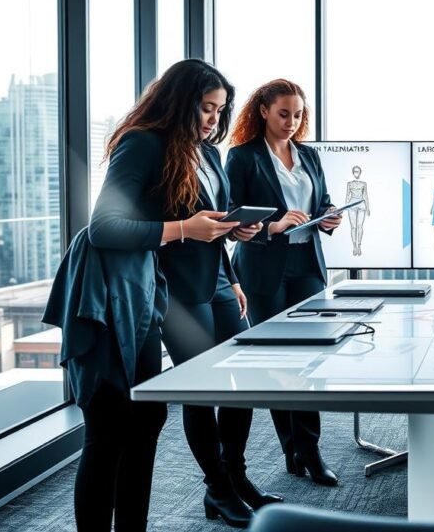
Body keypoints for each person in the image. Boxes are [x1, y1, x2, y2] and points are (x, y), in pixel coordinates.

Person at [133, 60, 279, 528]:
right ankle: (217, 488)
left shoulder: (209, 154)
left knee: (243, 382)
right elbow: (107, 227)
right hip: (175, 289)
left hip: (216, 280)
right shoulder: (145, 145)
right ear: (179, 103)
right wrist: (184, 229)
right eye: (206, 107)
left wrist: (240, 236)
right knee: (201, 392)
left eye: (220, 109)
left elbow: (213, 225)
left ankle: (235, 477)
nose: (214, 118)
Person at [226, 78, 342, 488]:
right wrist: (272, 226)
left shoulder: (308, 155)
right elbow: (231, 217)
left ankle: (309, 449)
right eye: (283, 114)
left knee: (311, 355)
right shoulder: (242, 158)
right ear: (263, 111)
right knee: (278, 359)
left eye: (297, 115)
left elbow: (322, 198)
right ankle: (290, 446)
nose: (291, 122)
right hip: (263, 266)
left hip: (307, 262)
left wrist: (328, 216)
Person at [346, 166, 369, 256]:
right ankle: (354, 246)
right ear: (353, 172)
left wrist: (368, 207)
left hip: (361, 205)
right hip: (351, 205)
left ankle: (359, 246)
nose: (356, 173)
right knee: (353, 227)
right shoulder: (349, 184)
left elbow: (366, 196)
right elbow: (347, 196)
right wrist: (345, 207)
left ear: (360, 172)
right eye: (355, 171)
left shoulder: (363, 183)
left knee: (360, 226)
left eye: (358, 171)